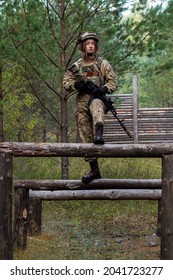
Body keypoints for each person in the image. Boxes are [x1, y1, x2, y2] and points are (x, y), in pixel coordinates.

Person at [63, 32, 118, 183]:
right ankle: (94, 170)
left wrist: (103, 89)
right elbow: (66, 83)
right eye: (88, 43)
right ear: (83, 46)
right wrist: (76, 85)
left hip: (96, 98)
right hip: (81, 102)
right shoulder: (77, 66)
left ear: (96, 46)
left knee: (97, 105)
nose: (91, 46)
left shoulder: (102, 63)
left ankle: (99, 133)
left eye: (93, 43)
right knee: (85, 136)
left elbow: (113, 82)